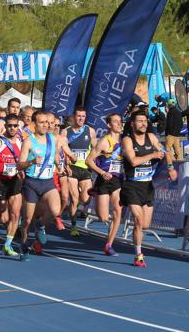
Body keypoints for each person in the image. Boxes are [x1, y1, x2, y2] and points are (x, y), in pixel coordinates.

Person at [121, 111, 177, 267]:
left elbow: (165, 152)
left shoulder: (151, 138)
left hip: (147, 186)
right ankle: (138, 255)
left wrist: (171, 167)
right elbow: (133, 161)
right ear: (132, 124)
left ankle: (136, 232)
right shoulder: (127, 140)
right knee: (138, 220)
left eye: (145, 121)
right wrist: (152, 155)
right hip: (131, 185)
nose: (144, 124)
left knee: (144, 225)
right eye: (140, 121)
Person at [18, 111, 63, 261]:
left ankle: (41, 225)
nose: (46, 125)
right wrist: (31, 162)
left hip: (48, 182)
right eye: (42, 122)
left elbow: (55, 155)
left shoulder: (53, 139)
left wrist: (61, 166)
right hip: (31, 183)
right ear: (34, 124)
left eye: (47, 122)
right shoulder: (29, 142)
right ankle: (23, 245)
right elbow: (19, 165)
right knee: (26, 220)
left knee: (55, 210)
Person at [86, 113, 124, 256]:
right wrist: (101, 172)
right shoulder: (104, 142)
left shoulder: (124, 141)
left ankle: (109, 244)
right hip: (104, 180)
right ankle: (95, 192)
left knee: (117, 212)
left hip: (118, 180)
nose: (119, 124)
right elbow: (89, 161)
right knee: (103, 217)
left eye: (120, 121)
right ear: (109, 125)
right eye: (116, 122)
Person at [0, 114, 23, 257]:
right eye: (10, 125)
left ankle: (7, 245)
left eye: (15, 126)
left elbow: (23, 159)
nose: (12, 128)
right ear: (5, 126)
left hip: (14, 181)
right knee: (3, 215)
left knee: (15, 214)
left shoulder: (21, 142)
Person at [61, 107, 97, 237]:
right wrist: (66, 165)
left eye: (83, 116)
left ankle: (76, 210)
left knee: (86, 199)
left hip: (85, 168)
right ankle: (74, 226)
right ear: (74, 117)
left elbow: (95, 148)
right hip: (72, 168)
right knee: (75, 199)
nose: (81, 118)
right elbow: (63, 149)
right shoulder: (66, 132)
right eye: (79, 116)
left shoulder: (90, 131)